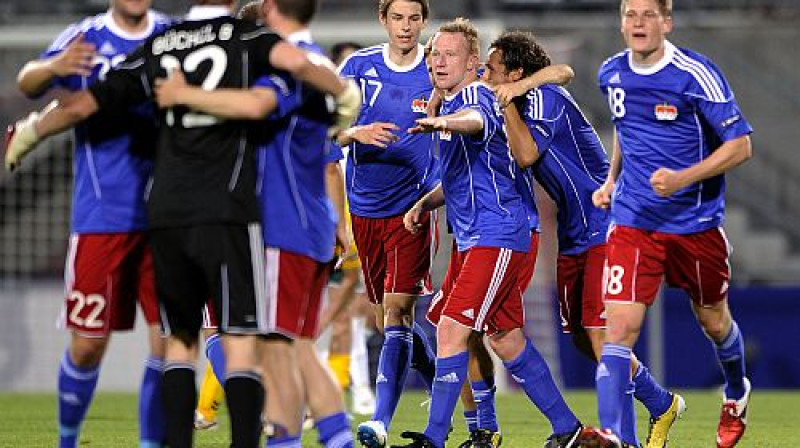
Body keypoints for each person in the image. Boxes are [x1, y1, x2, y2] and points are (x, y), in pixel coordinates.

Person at [4, 1, 361, 447]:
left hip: (165, 210)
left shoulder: (159, 45)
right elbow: (293, 68)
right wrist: (346, 97)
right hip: (230, 213)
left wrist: (32, 131)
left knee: (178, 343)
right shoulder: (247, 39)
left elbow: (82, 106)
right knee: (244, 345)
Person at [153, 1, 357, 447]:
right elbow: (326, 157)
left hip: (280, 228)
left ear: (269, 9)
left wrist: (184, 94)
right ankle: (337, 439)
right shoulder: (315, 62)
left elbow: (257, 104)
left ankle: (285, 441)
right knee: (295, 350)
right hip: (310, 224)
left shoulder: (288, 64)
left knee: (276, 354)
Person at [487, 30, 685, 448]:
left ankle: (624, 438)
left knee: (600, 333)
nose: (486, 74)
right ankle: (662, 403)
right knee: (580, 333)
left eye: (493, 68)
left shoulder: (543, 100)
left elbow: (527, 152)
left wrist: (507, 100)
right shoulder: (522, 102)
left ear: (516, 73)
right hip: (574, 230)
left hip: (604, 219)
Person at [393, 19, 582, 448]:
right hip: (477, 237)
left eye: (449, 54)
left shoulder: (476, 94)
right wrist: (425, 203)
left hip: (498, 235)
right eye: (434, 54)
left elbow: (476, 121)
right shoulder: (448, 102)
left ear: (473, 63)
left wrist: (442, 124)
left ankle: (436, 437)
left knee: (451, 328)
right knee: (505, 338)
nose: (439, 62)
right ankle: (566, 429)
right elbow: (460, 175)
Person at [576, 1, 753, 447]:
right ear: (621, 23)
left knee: (714, 322)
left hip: (695, 224)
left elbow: (741, 146)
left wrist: (682, 179)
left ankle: (735, 392)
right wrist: (612, 180)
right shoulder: (611, 73)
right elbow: (625, 130)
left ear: (666, 22)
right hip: (634, 221)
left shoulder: (695, 74)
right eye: (630, 14)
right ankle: (614, 434)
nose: (638, 23)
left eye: (648, 14)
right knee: (617, 329)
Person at [14, 2, 170, 447]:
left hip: (166, 216)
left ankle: (150, 443)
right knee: (87, 345)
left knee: (169, 342)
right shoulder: (86, 37)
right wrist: (53, 66)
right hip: (102, 215)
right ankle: (67, 439)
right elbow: (28, 82)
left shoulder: (172, 34)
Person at [332, 1, 441, 446]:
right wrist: (354, 133)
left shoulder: (436, 68)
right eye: (398, 18)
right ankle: (443, 387)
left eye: (414, 18)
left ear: (423, 21)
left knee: (397, 313)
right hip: (364, 210)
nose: (406, 27)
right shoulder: (358, 67)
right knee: (385, 320)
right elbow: (321, 130)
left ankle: (379, 422)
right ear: (384, 20)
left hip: (412, 211)